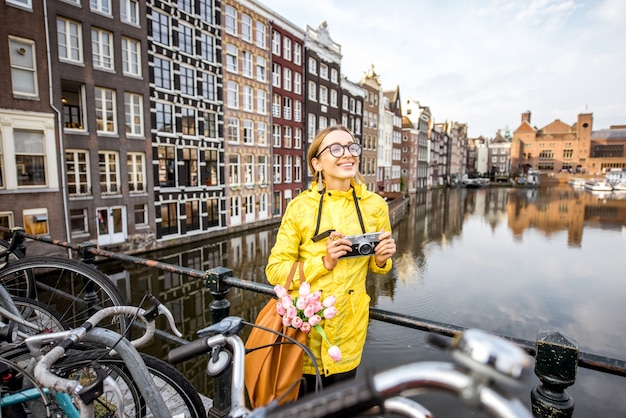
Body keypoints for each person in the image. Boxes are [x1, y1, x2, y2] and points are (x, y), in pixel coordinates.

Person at [265, 125, 396, 394]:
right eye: (335, 149)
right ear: (317, 163)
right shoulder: (300, 207)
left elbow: (378, 268)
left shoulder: (375, 206)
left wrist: (382, 260)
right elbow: (275, 271)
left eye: (351, 147)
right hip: (303, 334)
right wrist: (323, 263)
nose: (347, 154)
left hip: (349, 333)